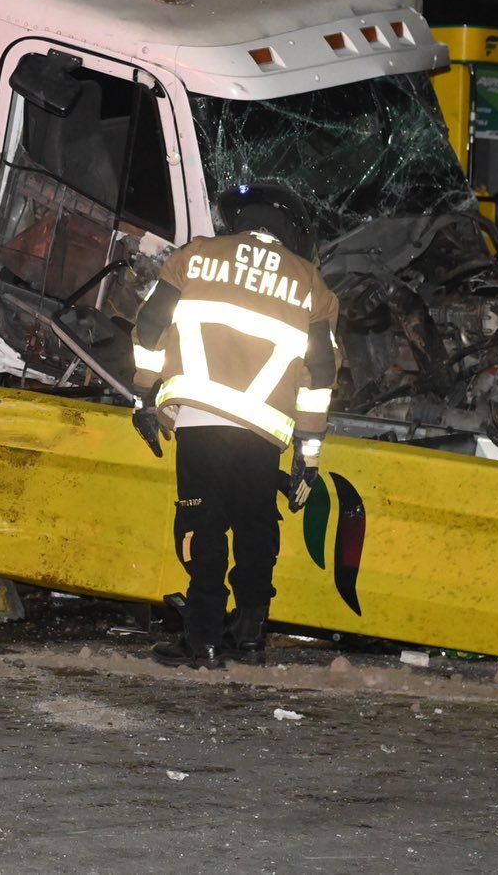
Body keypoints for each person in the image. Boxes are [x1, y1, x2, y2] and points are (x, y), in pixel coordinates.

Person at [129, 184, 340, 669]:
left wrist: (144, 394)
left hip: (200, 419)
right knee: (254, 526)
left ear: (240, 220)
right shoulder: (311, 284)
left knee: (202, 527)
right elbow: (321, 373)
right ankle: (249, 634)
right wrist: (308, 453)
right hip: (264, 431)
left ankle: (201, 638)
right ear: (291, 231)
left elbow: (150, 325)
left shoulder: (196, 256)